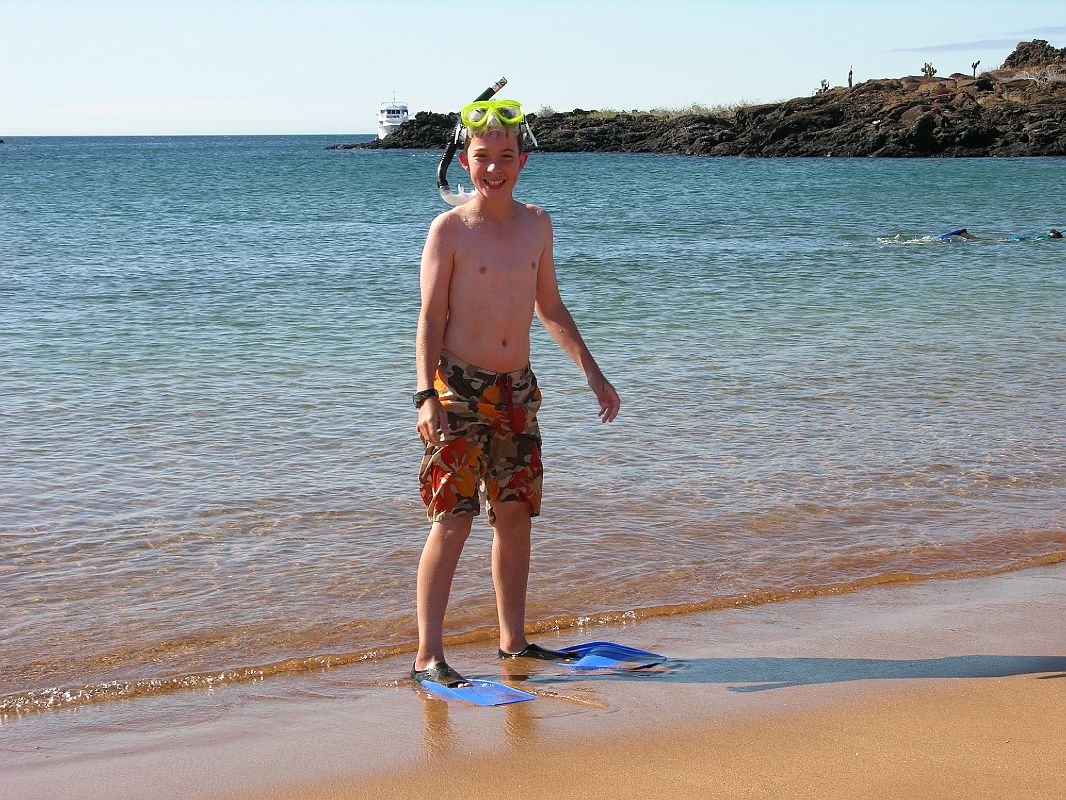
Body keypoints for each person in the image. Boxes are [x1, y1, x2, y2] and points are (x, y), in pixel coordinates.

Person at [411, 99, 621, 688]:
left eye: (506, 157)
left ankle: (514, 642)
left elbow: (549, 306)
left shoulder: (536, 223)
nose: (494, 169)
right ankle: (428, 654)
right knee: (452, 520)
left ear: (522, 162)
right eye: (483, 158)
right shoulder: (450, 230)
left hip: (517, 392)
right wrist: (424, 396)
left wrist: (593, 373)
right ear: (465, 161)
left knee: (514, 515)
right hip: (458, 391)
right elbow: (429, 319)